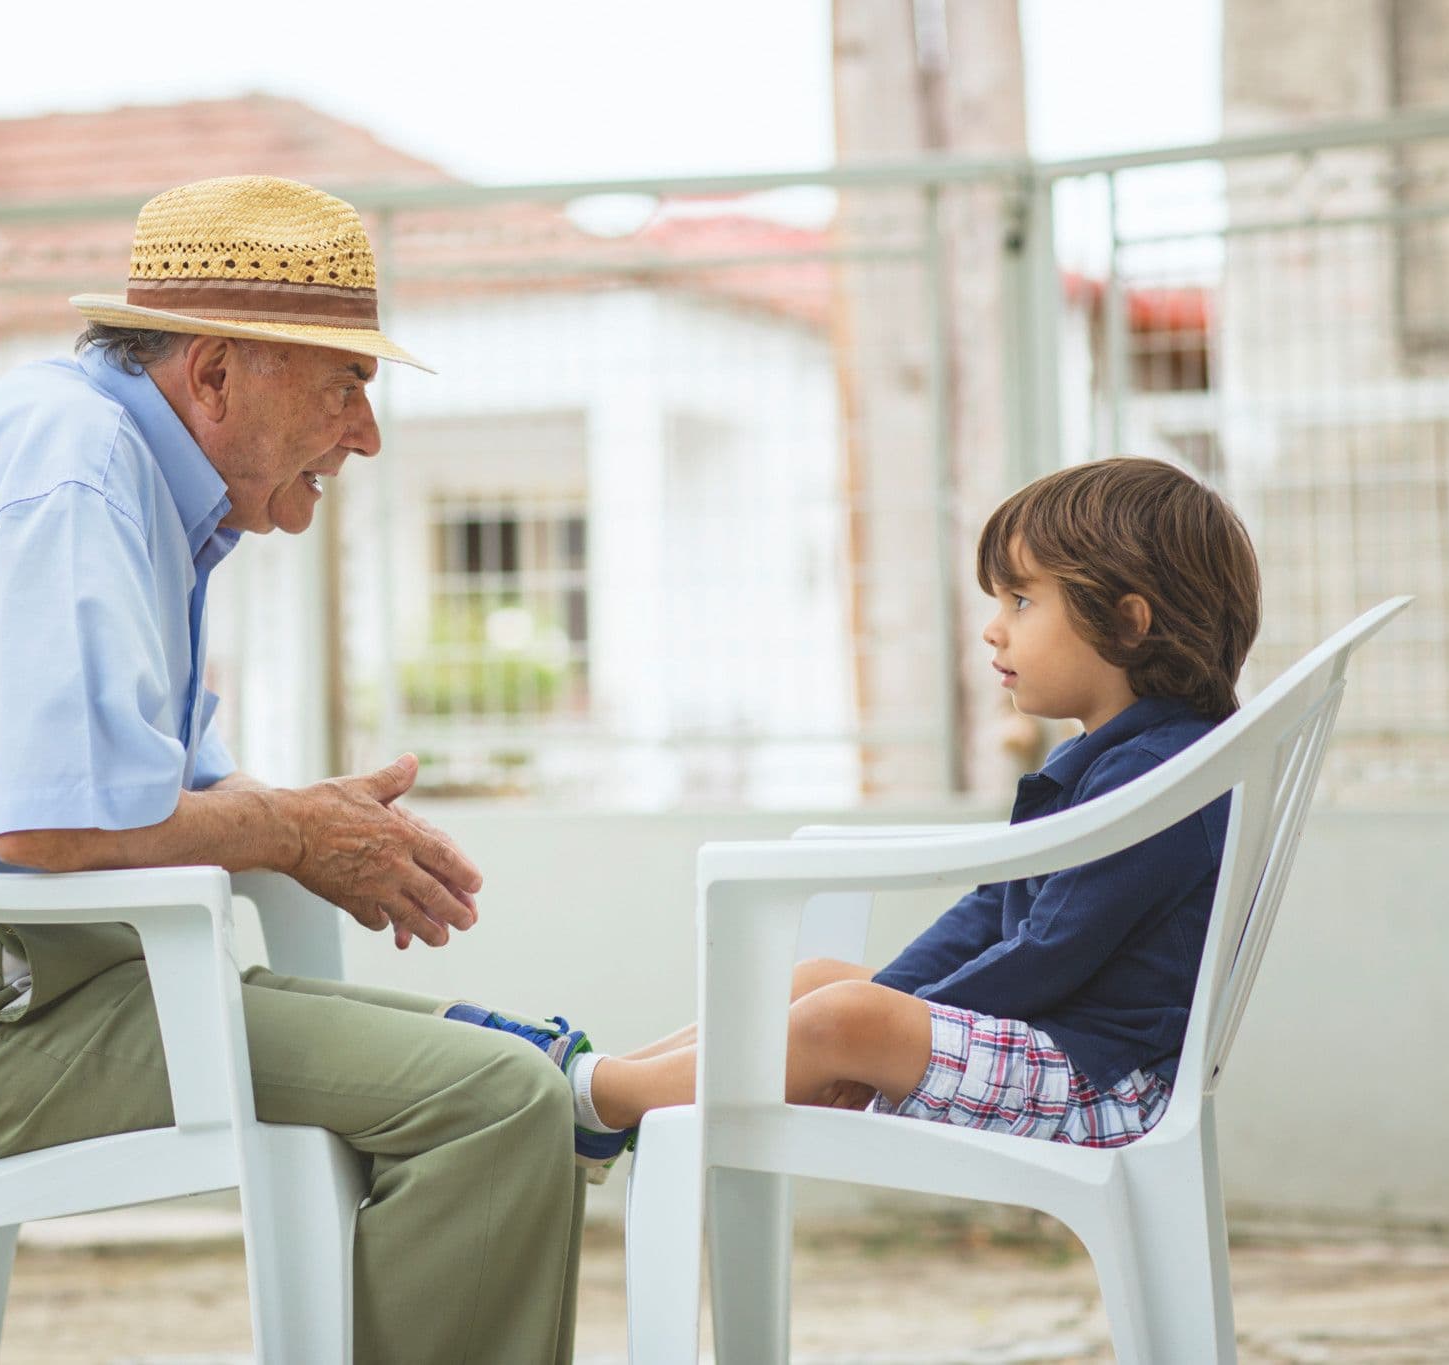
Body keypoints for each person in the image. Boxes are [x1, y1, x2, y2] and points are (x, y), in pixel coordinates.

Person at [0, 175, 591, 1364]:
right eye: (346, 382)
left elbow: (161, 801)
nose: (364, 432)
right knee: (494, 1104)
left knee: (516, 1069)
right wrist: (291, 832)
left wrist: (298, 823)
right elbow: (51, 830)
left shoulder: (122, 470)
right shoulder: (71, 462)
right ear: (214, 374)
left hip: (43, 980)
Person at [450, 456, 1263, 1163]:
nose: (993, 629)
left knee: (846, 1013)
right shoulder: (1115, 759)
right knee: (817, 980)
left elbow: (1048, 950)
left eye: (1021, 601)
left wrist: (881, 1031)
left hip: (1104, 1084)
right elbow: (993, 912)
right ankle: (613, 1082)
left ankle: (601, 1094)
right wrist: (892, 1009)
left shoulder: (1163, 776)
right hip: (1059, 1051)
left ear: (1126, 620)